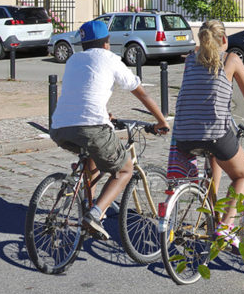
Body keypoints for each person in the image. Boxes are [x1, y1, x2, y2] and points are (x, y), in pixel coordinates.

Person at [50, 19, 170, 240]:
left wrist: (106, 116)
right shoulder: (110, 59)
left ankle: (88, 203)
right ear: (107, 43)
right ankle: (95, 213)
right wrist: (162, 121)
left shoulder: (74, 59)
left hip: (59, 128)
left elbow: (84, 92)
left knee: (93, 155)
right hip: (91, 127)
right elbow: (141, 93)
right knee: (125, 169)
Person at [172, 20, 244, 244]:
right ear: (224, 40)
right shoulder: (231, 60)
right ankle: (226, 227)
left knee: (215, 158)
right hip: (214, 133)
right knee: (242, 175)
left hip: (182, 133)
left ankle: (211, 212)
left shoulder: (191, 59)